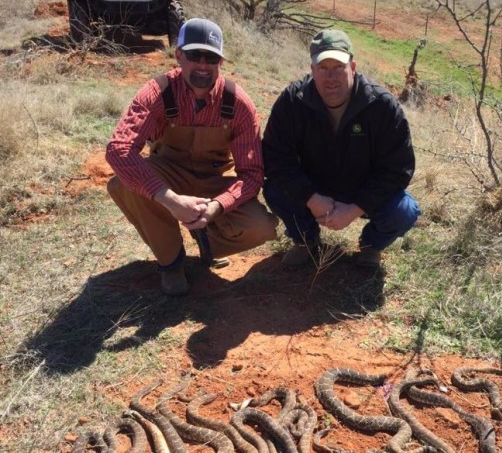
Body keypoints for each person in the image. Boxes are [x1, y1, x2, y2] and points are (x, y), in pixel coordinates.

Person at [105, 18, 278, 295]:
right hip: (168, 175)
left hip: (213, 180)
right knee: (125, 182)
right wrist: (170, 200)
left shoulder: (238, 103)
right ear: (178, 55)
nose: (202, 64)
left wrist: (216, 207)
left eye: (211, 57)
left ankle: (206, 238)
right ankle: (171, 262)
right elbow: (119, 149)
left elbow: (253, 174)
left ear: (221, 61)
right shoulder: (157, 93)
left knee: (261, 227)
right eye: (194, 55)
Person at [262, 29, 420, 269]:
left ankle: (371, 246)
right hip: (315, 188)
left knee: (405, 210)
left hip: (362, 190)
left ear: (353, 66)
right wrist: (311, 198)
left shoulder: (382, 105)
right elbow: (275, 157)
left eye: (338, 67)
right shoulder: (293, 100)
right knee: (274, 189)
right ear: (312, 69)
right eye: (323, 68)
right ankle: (307, 240)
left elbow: (398, 169)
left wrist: (356, 208)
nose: (331, 77)